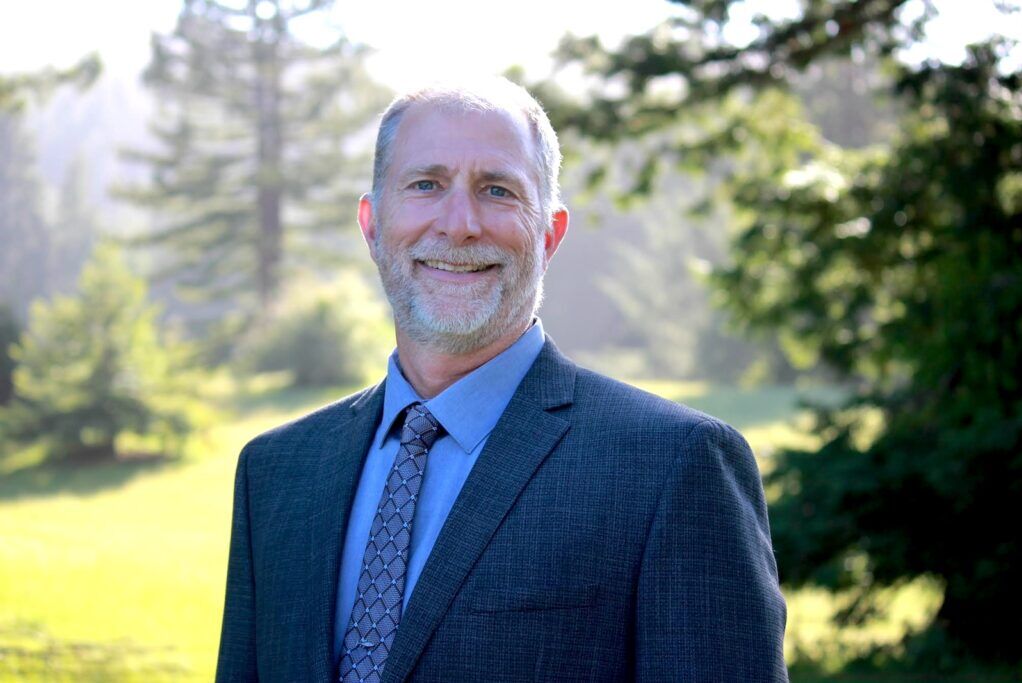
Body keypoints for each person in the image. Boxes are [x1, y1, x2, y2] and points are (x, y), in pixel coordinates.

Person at [215, 78, 787, 683]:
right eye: (426, 184)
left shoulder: (673, 465)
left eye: (497, 190)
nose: (460, 224)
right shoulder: (275, 472)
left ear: (550, 234)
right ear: (372, 223)